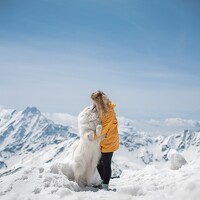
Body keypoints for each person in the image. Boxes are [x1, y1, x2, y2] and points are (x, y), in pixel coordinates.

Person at [90, 90, 119, 190]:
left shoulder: (109, 112)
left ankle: (105, 186)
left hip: (110, 140)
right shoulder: (101, 108)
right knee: (98, 161)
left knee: (106, 163)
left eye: (94, 102)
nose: (93, 104)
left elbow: (105, 128)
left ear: (99, 101)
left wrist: (93, 136)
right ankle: (103, 182)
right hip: (103, 140)